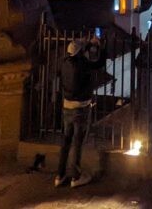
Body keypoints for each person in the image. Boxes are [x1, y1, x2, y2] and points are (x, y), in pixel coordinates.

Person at [54, 32, 104, 188]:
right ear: (79, 53)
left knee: (66, 141)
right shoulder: (82, 65)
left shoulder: (64, 63)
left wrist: (86, 43)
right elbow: (98, 63)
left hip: (66, 106)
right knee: (77, 141)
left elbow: (76, 49)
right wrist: (100, 46)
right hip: (80, 108)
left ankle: (59, 175)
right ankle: (76, 176)